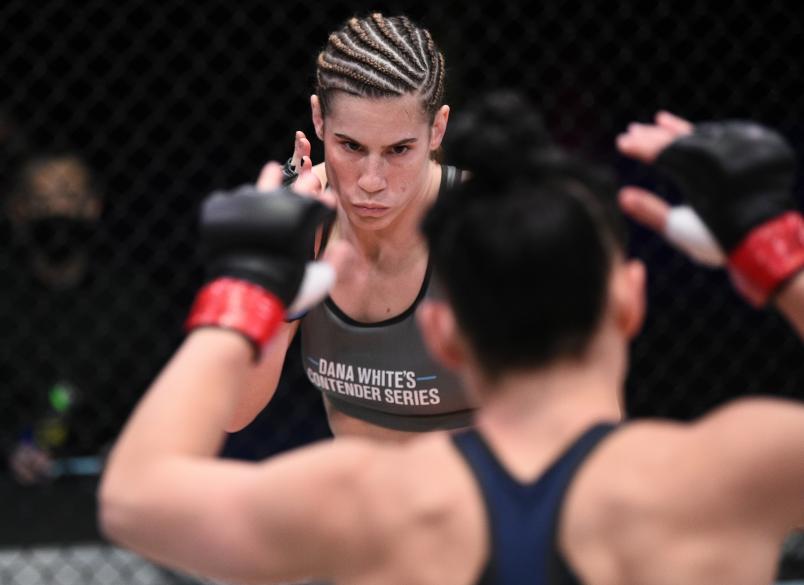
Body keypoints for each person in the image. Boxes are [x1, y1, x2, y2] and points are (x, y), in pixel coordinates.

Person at [99, 92, 804, 585]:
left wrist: (248, 290)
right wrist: (780, 260)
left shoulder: (373, 504)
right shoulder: (715, 482)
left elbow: (132, 496)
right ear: (631, 302)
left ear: (442, 331)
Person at [236, 12, 482, 441]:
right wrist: (279, 287)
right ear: (319, 121)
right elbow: (232, 413)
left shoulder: (486, 225)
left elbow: (569, 424)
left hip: (482, 502)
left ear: (437, 128)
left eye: (399, 150)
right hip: (360, 500)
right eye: (350, 146)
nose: (371, 180)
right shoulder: (298, 217)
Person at [0, 153, 178, 484]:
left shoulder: (131, 299)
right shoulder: (7, 299)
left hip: (117, 474)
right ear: (17, 209)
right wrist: (9, 445)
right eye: (41, 200)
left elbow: (161, 388)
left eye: (68, 197)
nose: (56, 211)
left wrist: (133, 443)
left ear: (93, 206)